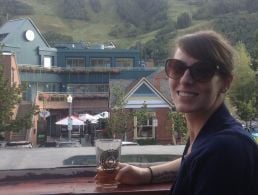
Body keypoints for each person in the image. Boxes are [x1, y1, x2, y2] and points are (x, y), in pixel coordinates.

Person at [95, 30, 258, 194]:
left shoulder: (225, 150)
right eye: (177, 68)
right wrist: (147, 174)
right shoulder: (208, 137)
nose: (185, 80)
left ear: (225, 83)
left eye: (201, 71)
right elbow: (191, 162)